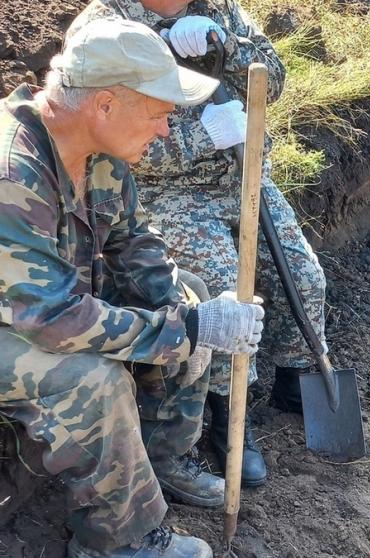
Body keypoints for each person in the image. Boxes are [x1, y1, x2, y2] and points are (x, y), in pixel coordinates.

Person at [0, 20, 265, 557]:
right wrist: (185, 331)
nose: (168, 131)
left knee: (185, 290)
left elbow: (133, 243)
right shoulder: (12, 174)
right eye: (161, 113)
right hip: (24, 321)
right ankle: (118, 541)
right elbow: (51, 318)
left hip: (43, 311)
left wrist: (183, 309)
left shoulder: (98, 155)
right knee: (90, 378)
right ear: (104, 105)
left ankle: (157, 463)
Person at [69, 0, 328, 488]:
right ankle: (232, 418)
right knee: (230, 292)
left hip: (243, 174)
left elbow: (272, 77)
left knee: (306, 277)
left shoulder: (219, 8)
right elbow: (114, 144)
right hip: (174, 191)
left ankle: (296, 382)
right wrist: (202, 136)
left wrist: (228, 47)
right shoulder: (107, 28)